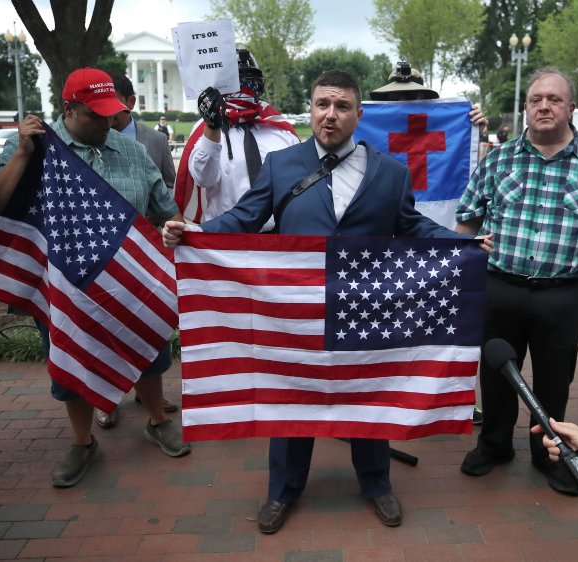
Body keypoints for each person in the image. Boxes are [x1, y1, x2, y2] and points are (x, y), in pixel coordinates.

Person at [163, 69, 492, 534]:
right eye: (322, 105)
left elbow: (413, 227)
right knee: (291, 398)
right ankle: (283, 490)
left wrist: (463, 245)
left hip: (366, 307)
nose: (330, 115)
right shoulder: (281, 166)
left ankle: (377, 484)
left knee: (368, 395)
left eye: (341, 106)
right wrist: (196, 234)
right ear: (310, 110)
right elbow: (244, 217)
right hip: (294, 312)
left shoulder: (391, 173)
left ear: (359, 114)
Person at [0, 67, 190, 489]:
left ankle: (156, 419)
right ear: (69, 108)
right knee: (68, 360)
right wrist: (21, 153)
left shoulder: (130, 151)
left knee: (149, 350)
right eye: (95, 115)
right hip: (64, 282)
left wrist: (174, 227)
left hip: (126, 282)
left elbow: (167, 210)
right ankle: (82, 441)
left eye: (111, 114)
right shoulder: (34, 148)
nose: (106, 123)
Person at [455, 67, 578, 496]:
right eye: (536, 99)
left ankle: (550, 452)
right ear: (526, 108)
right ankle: (494, 445)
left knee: (555, 381)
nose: (544, 106)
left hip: (561, 296)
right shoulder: (498, 160)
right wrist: (465, 261)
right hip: (501, 288)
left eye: (554, 99)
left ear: (571, 108)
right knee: (496, 375)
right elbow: (467, 219)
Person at [368, 61, 488, 425]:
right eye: (397, 98)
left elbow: (480, 182)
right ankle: (383, 390)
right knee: (387, 316)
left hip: (434, 241)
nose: (405, 103)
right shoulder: (363, 126)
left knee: (440, 318)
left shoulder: (457, 127)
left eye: (412, 97)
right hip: (385, 241)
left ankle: (446, 393)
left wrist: (477, 134)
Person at [87, 72, 182, 429]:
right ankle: (106, 399)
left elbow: (167, 188)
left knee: (147, 331)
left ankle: (149, 398)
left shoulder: (150, 142)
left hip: (143, 254)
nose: (108, 118)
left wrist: (165, 231)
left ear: (129, 103)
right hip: (97, 260)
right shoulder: (68, 146)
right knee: (103, 336)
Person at [178, 48, 299, 228]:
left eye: (250, 82)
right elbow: (204, 179)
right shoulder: (205, 128)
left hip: (275, 239)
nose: (244, 90)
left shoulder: (281, 130)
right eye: (237, 83)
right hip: (226, 239)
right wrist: (213, 127)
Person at [369, 62, 488, 134]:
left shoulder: (443, 130)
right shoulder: (372, 132)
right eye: (394, 96)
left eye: (411, 95)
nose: (402, 101)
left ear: (424, 98)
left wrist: (472, 132)